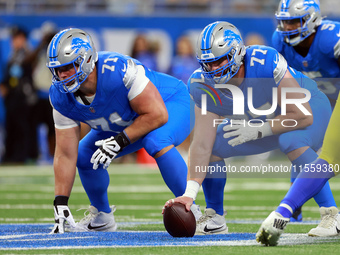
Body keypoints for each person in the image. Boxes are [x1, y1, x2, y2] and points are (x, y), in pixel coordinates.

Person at [163, 21, 337, 236]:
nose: (214, 69)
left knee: (290, 140)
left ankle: (332, 214)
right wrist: (189, 193)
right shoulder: (201, 83)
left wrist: (259, 129)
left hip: (310, 109)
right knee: (214, 142)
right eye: (208, 64)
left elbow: (301, 115)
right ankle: (215, 215)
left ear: (237, 53)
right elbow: (201, 143)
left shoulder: (264, 62)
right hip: (262, 120)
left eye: (220, 61)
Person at [47, 28, 200, 233]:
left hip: (170, 103)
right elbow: (65, 153)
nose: (62, 75)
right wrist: (60, 201)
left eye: (68, 67)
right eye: (57, 69)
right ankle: (103, 216)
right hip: (128, 121)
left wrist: (119, 140)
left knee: (156, 140)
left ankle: (192, 209)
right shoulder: (59, 96)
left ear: (86, 60)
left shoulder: (117, 71)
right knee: (84, 154)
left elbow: (157, 115)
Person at [272, 0, 340, 223]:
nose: (288, 28)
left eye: (294, 22)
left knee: (329, 156)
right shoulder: (279, 42)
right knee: (295, 138)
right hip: (319, 102)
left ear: (311, 20)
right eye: (285, 22)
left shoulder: (331, 37)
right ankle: (299, 197)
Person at [0, 26, 38, 163]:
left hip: (22, 98)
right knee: (11, 127)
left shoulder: (26, 54)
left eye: (18, 38)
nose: (15, 41)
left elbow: (30, 66)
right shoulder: (13, 55)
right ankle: (9, 155)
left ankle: (21, 155)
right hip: (11, 98)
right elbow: (10, 76)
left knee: (22, 128)